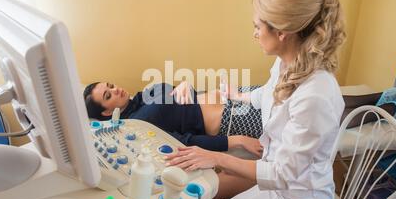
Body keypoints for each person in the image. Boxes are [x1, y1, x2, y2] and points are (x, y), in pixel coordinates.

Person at [165, 0, 347, 199]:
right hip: (275, 172)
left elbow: (283, 175)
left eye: (258, 26)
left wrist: (217, 157)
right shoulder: (287, 63)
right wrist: (236, 95)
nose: (254, 34)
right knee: (205, 192)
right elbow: (268, 93)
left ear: (282, 32)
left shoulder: (315, 96)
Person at [83, 81, 264, 156]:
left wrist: (186, 85)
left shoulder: (145, 94)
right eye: (108, 96)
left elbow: (176, 92)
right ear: (107, 113)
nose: (115, 90)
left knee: (286, 92)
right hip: (232, 119)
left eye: (111, 86)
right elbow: (185, 143)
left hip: (235, 94)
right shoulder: (138, 125)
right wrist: (237, 141)